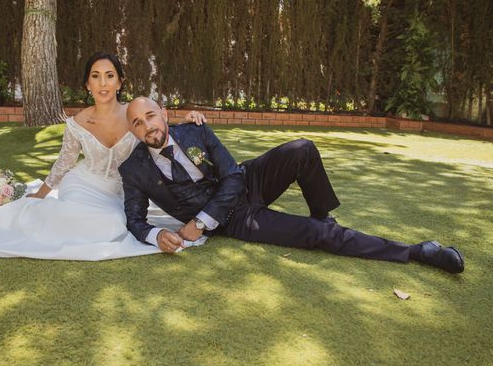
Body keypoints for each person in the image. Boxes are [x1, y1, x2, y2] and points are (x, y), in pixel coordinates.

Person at [0, 53, 206, 260]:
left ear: (120, 81)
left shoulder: (133, 115)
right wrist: (41, 194)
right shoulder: (78, 122)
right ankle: (23, 209)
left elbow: (156, 127)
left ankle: (37, 211)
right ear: (87, 84)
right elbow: (64, 163)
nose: (103, 83)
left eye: (109, 76)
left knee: (114, 225)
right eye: (95, 76)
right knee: (102, 222)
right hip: (83, 184)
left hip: (121, 191)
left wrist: (188, 118)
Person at [119, 97, 465, 274]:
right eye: (137, 123)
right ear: (132, 130)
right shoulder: (133, 169)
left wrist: (199, 223)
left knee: (302, 148)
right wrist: (156, 236)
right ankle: (417, 252)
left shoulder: (195, 130)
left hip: (246, 182)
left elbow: (234, 175)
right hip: (235, 221)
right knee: (316, 236)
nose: (146, 126)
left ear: (162, 113)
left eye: (149, 116)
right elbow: (135, 220)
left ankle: (323, 214)